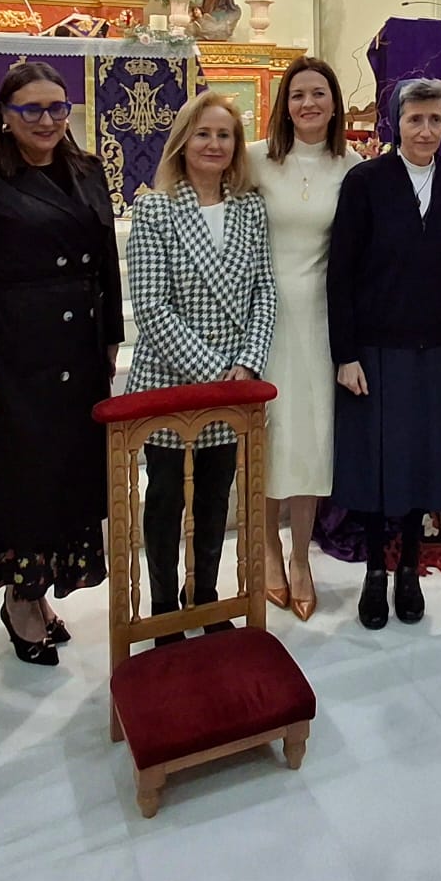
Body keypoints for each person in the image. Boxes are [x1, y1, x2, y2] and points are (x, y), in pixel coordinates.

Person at [0, 62, 124, 665]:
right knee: (21, 484)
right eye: (32, 110)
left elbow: (105, 263)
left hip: (78, 354)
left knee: (64, 480)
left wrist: (112, 336)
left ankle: (41, 595)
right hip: (15, 358)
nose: (47, 120)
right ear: (5, 117)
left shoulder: (88, 169)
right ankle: (20, 600)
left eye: (58, 108)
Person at [125, 91, 277, 636]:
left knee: (215, 499)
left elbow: (265, 291)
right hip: (172, 384)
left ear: (236, 146)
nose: (214, 144)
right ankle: (166, 609)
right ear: (184, 142)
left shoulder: (251, 208)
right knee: (166, 502)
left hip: (235, 388)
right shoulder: (154, 209)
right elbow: (151, 308)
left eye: (225, 135)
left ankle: (206, 598)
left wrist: (248, 363)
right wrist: (218, 375)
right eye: (204, 134)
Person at [328, 77, 441, 629]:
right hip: (374, 347)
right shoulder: (366, 181)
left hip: (431, 346)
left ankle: (409, 567)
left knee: (420, 463)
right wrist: (345, 353)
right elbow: (340, 274)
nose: (427, 130)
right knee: (375, 466)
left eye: (436, 120)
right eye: (416, 120)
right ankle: (374, 574)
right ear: (396, 124)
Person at [251, 57, 356, 620]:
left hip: (320, 317)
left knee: (311, 435)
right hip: (264, 316)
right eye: (297, 95)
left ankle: (300, 557)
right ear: (283, 104)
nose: (308, 104)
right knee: (271, 432)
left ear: (334, 103)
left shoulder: (353, 166)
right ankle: (266, 548)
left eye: (318, 93)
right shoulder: (254, 161)